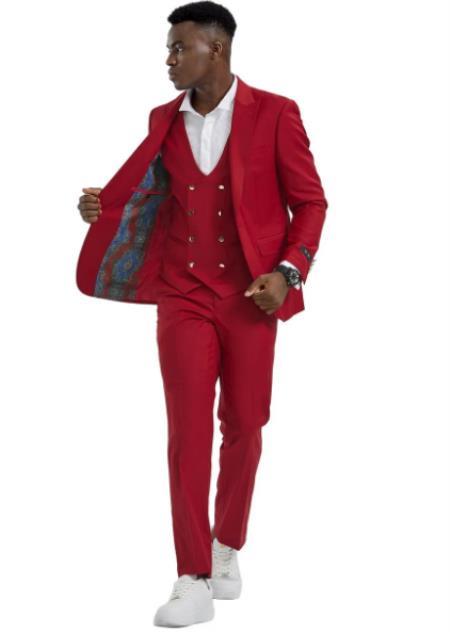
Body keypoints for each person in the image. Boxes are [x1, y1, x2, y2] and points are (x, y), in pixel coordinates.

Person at [76, 1, 328, 626]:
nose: (168, 60)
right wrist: (103, 209)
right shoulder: (163, 118)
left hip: (250, 294)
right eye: (169, 49)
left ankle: (226, 544)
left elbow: (311, 203)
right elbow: (152, 192)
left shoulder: (276, 113)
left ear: (215, 49)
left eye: (177, 48)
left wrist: (288, 272)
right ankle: (190, 576)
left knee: (245, 423)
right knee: (186, 433)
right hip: (181, 293)